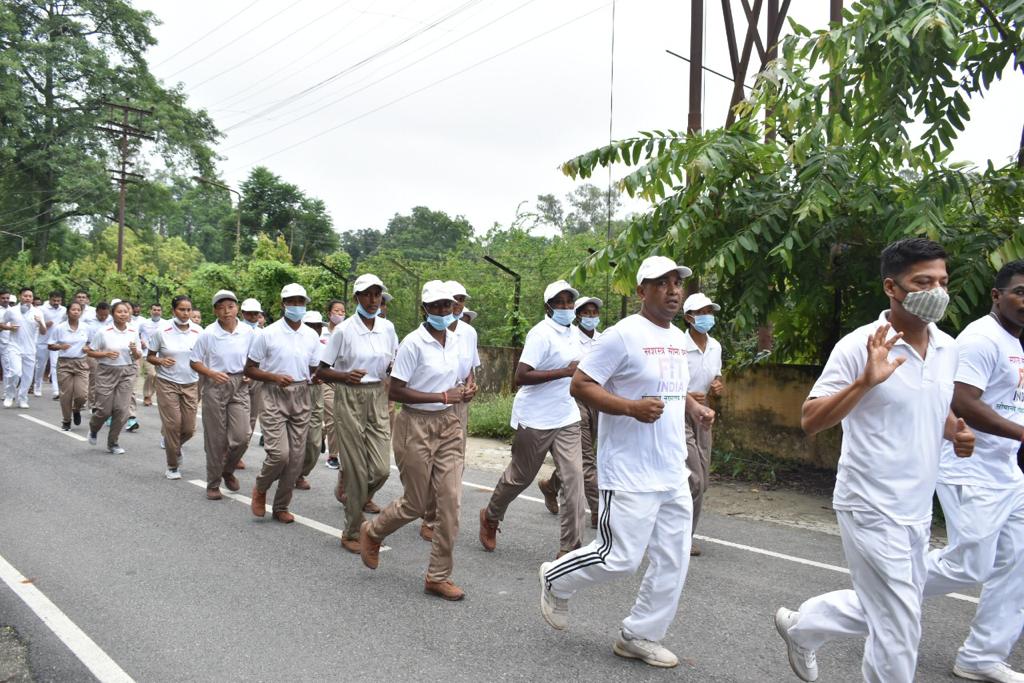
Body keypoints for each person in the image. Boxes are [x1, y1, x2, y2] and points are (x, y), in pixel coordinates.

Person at [775, 238, 975, 683]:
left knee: (892, 606)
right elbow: (811, 419)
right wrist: (865, 382)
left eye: (942, 281)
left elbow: (931, 401)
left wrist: (955, 431)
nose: (936, 292)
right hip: (870, 503)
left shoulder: (948, 348)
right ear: (891, 287)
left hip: (917, 506)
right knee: (899, 626)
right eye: (922, 282)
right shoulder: (859, 346)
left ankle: (805, 626)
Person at [538, 255, 714, 669]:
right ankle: (555, 578)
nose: (673, 290)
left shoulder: (677, 338)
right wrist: (630, 408)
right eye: (662, 283)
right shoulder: (620, 336)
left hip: (671, 468)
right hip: (630, 470)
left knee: (674, 559)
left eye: (677, 283)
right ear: (641, 291)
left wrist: (693, 407)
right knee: (619, 557)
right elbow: (581, 385)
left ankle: (640, 635)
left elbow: (673, 387)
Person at [358, 281, 470, 601]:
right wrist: (441, 395)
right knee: (416, 503)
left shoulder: (458, 340)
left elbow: (463, 376)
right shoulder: (413, 343)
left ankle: (438, 575)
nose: (443, 311)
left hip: (449, 424)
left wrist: (466, 389)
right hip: (415, 424)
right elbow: (395, 391)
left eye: (447, 305)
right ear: (425, 309)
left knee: (450, 502)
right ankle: (373, 531)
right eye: (436, 306)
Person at [480, 280, 586, 558]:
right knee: (520, 477)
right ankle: (491, 515)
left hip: (567, 415)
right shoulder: (540, 334)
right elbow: (521, 376)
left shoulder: (575, 333)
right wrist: (564, 372)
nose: (566, 306)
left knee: (574, 478)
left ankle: (569, 549)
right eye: (559, 302)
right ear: (548, 307)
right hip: (536, 417)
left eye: (569, 301)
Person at [317, 275, 398, 553]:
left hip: (378, 394)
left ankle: (353, 493)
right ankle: (351, 531)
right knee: (356, 469)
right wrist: (345, 376)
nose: (373, 300)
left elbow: (392, 362)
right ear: (356, 298)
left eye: (377, 294)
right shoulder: (344, 330)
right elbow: (321, 371)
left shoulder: (387, 328)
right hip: (349, 395)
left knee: (381, 470)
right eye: (367, 294)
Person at [245, 283, 321, 524]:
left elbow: (314, 367)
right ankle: (261, 487)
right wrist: (274, 377)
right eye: (292, 301)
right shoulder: (267, 334)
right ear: (283, 304)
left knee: (296, 458)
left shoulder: (311, 335)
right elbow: (250, 369)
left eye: (301, 302)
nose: (297, 306)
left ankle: (281, 506)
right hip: (274, 393)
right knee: (280, 454)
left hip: (301, 393)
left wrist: (321, 376)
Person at [538, 296, 603, 528]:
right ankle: (598, 511)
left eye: (594, 313)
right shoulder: (570, 337)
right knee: (586, 460)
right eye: (586, 313)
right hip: (574, 400)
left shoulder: (602, 340)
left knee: (580, 456)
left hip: (597, 400)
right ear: (578, 315)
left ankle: (551, 485)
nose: (591, 317)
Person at [189, 290, 254, 500]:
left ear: (237, 308)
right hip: (216, 385)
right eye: (221, 308)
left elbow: (255, 357)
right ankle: (213, 483)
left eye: (230, 307)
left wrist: (250, 373)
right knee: (215, 439)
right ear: (215, 311)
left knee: (242, 437)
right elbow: (194, 361)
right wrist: (210, 373)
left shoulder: (248, 332)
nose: (226, 312)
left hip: (240, 385)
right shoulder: (208, 333)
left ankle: (228, 469)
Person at [681, 292, 724, 556]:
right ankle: (683, 538)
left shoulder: (716, 346)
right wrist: (687, 396)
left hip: (703, 415)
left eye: (709, 312)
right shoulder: (677, 345)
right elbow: (667, 382)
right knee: (694, 478)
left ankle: (676, 529)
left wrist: (718, 387)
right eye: (701, 312)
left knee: (702, 480)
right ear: (689, 318)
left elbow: (717, 379)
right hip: (677, 413)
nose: (707, 317)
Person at [147, 296, 202, 481]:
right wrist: (161, 361)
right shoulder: (162, 331)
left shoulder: (198, 331)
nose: (185, 313)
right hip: (167, 382)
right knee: (172, 425)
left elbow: (205, 356)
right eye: (181, 309)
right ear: (173, 311)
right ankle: (172, 466)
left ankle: (174, 446)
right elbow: (150, 356)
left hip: (191, 383)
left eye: (188, 310)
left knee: (189, 428)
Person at [85, 300, 142, 454]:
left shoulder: (133, 331)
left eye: (126, 312)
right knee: (103, 410)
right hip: (106, 372)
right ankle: (94, 428)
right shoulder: (104, 332)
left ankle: (113, 443)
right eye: (119, 311)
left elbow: (138, 355)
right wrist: (105, 354)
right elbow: (90, 351)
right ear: (112, 314)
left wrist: (134, 351)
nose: (123, 314)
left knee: (121, 410)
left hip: (127, 371)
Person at [295, 310, 327, 491]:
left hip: (315, 392)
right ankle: (289, 471)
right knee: (294, 436)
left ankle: (300, 473)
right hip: (295, 390)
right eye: (310, 326)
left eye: (318, 326)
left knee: (314, 442)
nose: (315, 329)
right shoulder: (293, 343)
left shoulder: (324, 346)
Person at [2, 288, 47, 409]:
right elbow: (1, 324)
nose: (28, 298)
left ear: (32, 298)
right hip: (14, 346)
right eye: (25, 296)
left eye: (30, 296)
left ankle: (22, 398)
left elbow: (44, 332)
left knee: (27, 376)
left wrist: (40, 322)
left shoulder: (38, 312)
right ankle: (9, 395)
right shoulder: (11, 311)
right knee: (15, 372)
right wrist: (9, 328)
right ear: (20, 296)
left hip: (30, 348)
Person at [48, 301, 90, 430]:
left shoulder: (86, 327)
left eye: (78, 310)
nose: (76, 312)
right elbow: (50, 345)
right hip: (64, 363)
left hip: (81, 363)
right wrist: (60, 346)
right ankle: (66, 420)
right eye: (73, 309)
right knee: (66, 395)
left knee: (82, 395)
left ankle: (76, 409)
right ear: (68, 312)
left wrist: (87, 348)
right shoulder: (60, 328)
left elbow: (91, 343)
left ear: (81, 312)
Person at [322, 299, 346, 471]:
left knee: (341, 418)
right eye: (336, 311)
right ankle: (333, 456)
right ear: (329, 313)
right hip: (325, 381)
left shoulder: (347, 332)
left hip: (342, 380)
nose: (340, 314)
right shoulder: (321, 333)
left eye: (343, 312)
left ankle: (319, 434)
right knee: (333, 418)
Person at [240, 297, 263, 466]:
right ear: (243, 313)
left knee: (252, 417)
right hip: (238, 376)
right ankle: (228, 449)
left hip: (257, 376)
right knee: (237, 415)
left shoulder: (263, 333)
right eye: (249, 314)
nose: (253, 317)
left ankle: (239, 452)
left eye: (256, 314)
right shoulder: (237, 330)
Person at [34, 290, 65, 398]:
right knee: (40, 365)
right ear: (49, 299)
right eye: (54, 300)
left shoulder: (64, 310)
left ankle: (56, 390)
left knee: (55, 365)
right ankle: (37, 386)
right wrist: (45, 324)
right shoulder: (41, 309)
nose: (56, 302)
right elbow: (35, 325)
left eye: (58, 301)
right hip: (43, 341)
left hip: (56, 342)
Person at [139, 302, 164, 407]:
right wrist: (141, 341)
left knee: (159, 376)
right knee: (151, 374)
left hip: (161, 354)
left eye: (158, 310)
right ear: (150, 311)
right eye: (154, 310)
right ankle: (147, 396)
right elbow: (137, 334)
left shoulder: (166, 324)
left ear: (161, 312)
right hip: (148, 353)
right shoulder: (144, 323)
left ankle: (160, 396)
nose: (156, 312)